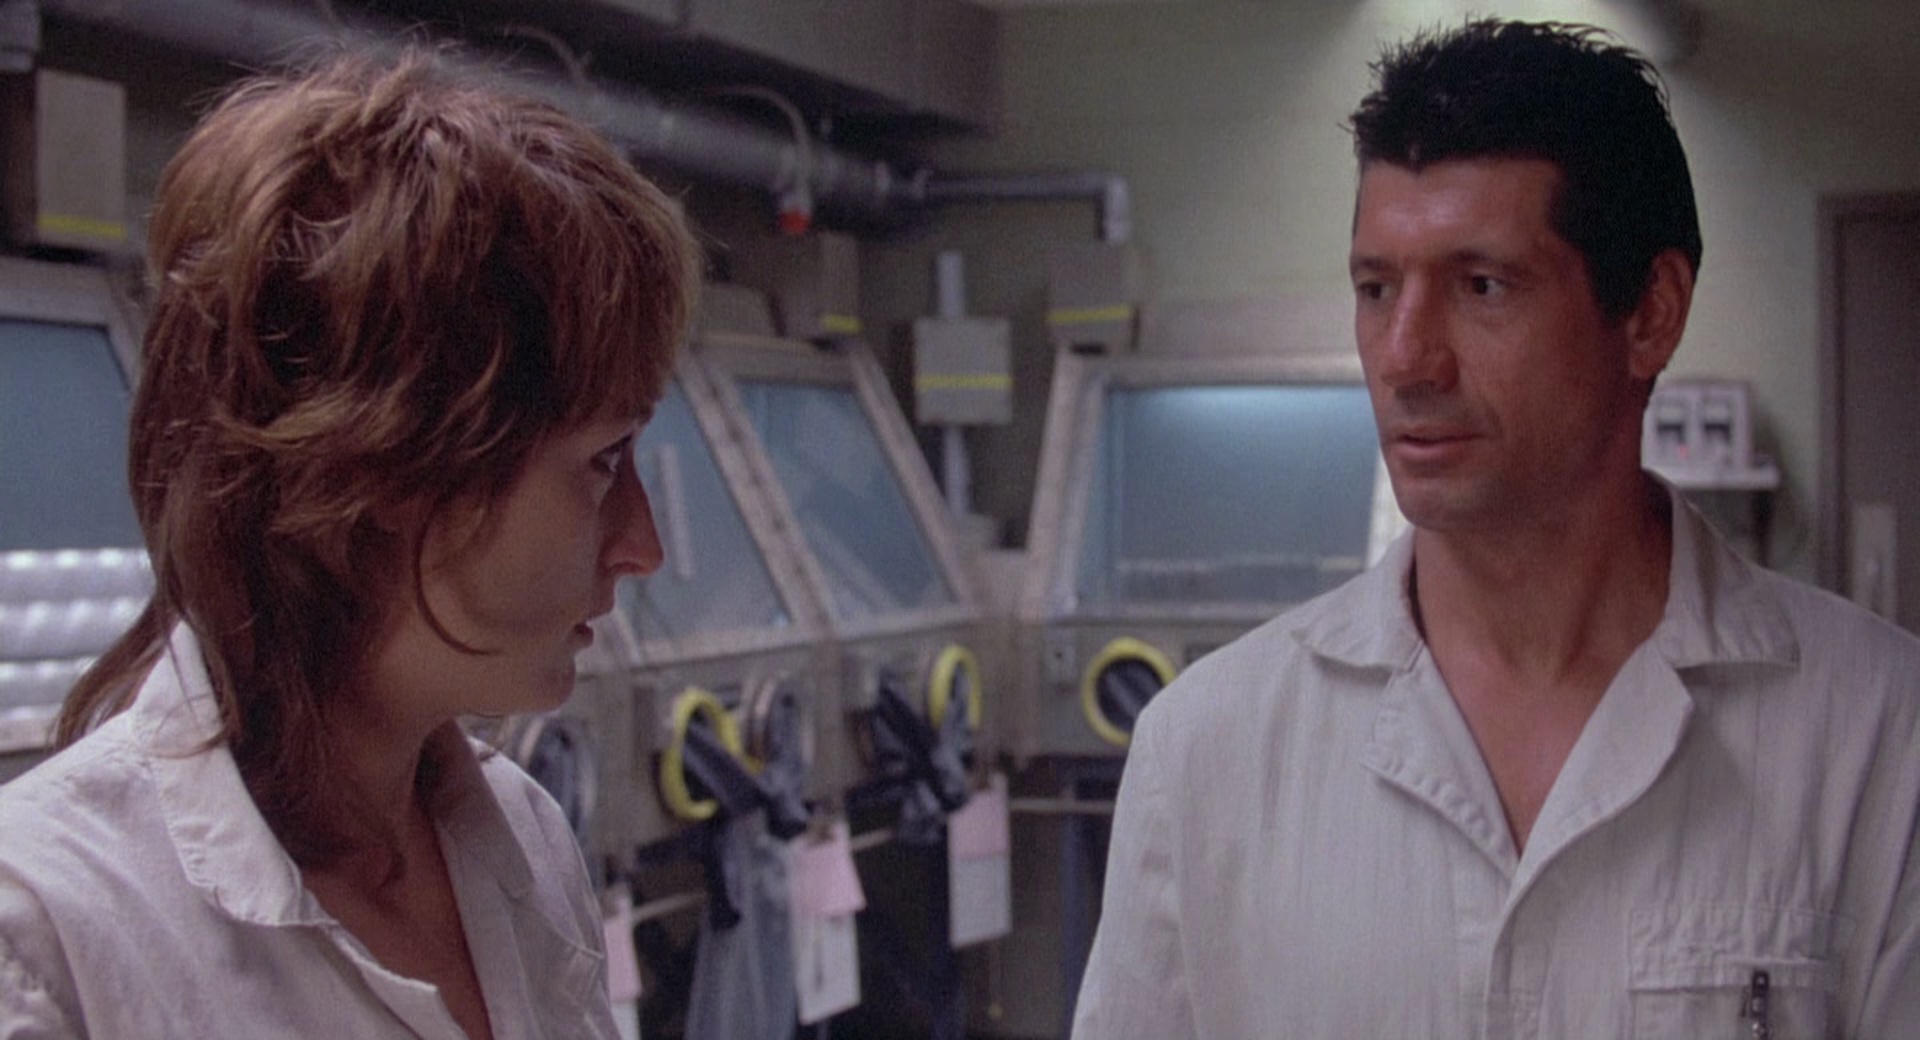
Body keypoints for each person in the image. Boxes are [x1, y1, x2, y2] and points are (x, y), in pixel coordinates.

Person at [1071, 19, 1919, 1038]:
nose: (1405, 358)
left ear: (1652, 313)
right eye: (1376, 288)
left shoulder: (1877, 737)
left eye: (1483, 286)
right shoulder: (1206, 751)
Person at [0, 48, 700, 1038]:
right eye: (602, 461)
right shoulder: (45, 937)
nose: (642, 545)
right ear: (387, 468)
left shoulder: (524, 836)